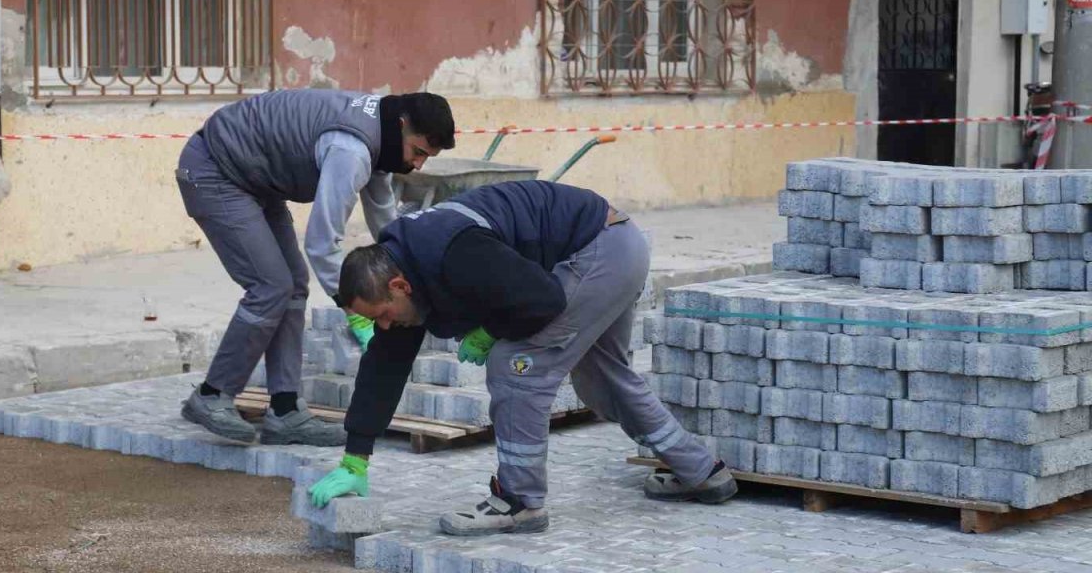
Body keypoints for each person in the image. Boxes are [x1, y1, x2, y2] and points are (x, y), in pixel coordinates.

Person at [308, 180, 737, 534]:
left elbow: (542, 300)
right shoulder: (402, 270)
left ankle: (520, 501)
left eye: (382, 315)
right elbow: (384, 364)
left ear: (399, 287)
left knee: (517, 367)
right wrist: (355, 457)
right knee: (601, 378)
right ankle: (702, 472)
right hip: (614, 242)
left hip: (598, 251)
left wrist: (490, 330)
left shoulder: (452, 252)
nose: (384, 326)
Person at [176, 89, 455, 445]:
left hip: (259, 180)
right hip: (216, 171)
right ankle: (212, 395)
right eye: (418, 152)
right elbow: (322, 243)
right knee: (270, 286)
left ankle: (285, 410)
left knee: (293, 284)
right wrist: (355, 306)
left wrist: (416, 270)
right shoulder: (351, 151)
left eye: (426, 158)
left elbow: (385, 219)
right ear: (402, 125)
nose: (418, 165)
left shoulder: (382, 139)